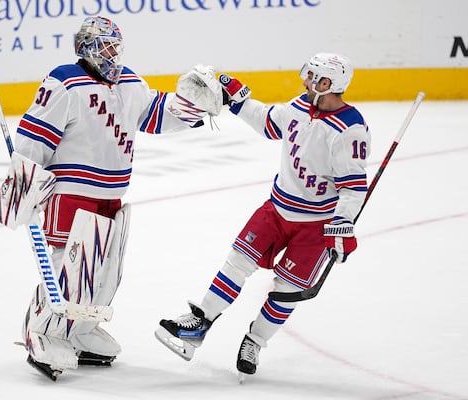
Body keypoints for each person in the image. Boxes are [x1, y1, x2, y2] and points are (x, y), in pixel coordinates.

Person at [0, 16, 222, 380]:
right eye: (105, 46)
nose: (113, 53)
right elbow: (32, 141)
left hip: (112, 196)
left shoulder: (130, 81)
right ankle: (42, 331)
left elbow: (156, 115)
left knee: (106, 273)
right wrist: (25, 186)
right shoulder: (64, 81)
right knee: (71, 269)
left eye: (116, 45)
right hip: (71, 195)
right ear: (86, 47)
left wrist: (190, 106)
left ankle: (80, 332)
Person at [155, 53, 371, 377]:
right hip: (277, 209)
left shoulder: (349, 129)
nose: (305, 80)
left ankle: (255, 340)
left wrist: (341, 226)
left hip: (315, 225)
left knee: (287, 289)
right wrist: (238, 99)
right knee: (238, 261)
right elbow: (270, 122)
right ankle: (200, 322)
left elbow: (353, 188)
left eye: (312, 76)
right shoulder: (299, 106)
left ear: (327, 84)